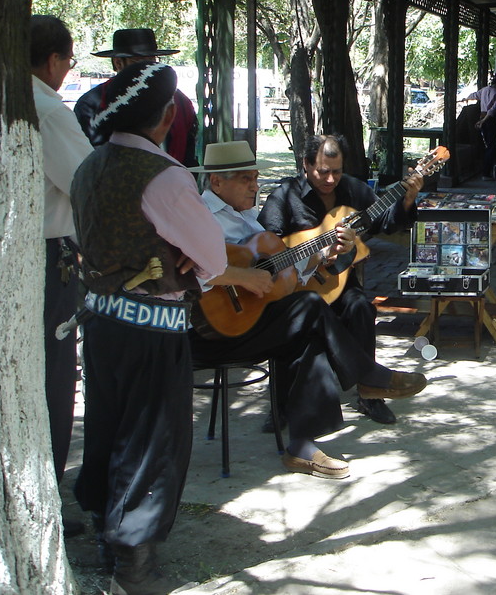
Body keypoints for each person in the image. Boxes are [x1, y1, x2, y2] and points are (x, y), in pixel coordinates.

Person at [71, 61, 229, 594]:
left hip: (101, 322)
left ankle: (102, 536)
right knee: (151, 440)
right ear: (166, 116)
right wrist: (191, 257)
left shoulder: (90, 165)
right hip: (152, 326)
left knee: (107, 429)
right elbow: (212, 255)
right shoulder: (163, 175)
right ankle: (134, 565)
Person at [190, 141, 427, 478]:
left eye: (255, 178)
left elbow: (280, 267)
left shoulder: (244, 218)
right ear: (216, 183)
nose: (256, 186)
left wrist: (321, 258)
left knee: (311, 330)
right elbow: (187, 273)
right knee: (309, 307)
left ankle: (301, 446)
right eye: (246, 179)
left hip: (252, 319)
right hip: (213, 330)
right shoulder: (201, 219)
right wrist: (244, 276)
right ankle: (368, 377)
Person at [258, 134, 424, 425]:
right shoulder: (285, 196)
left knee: (361, 307)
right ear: (306, 164)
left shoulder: (353, 190)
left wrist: (408, 198)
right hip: (295, 289)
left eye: (337, 171)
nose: (331, 179)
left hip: (338, 285)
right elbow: (264, 246)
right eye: (323, 171)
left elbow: (385, 221)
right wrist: (317, 254)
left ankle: (370, 394)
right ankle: (281, 403)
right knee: (289, 323)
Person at [30, 15, 93, 537]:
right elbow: (85, 184)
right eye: (69, 61)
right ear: (53, 60)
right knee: (54, 374)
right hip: (49, 256)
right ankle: (46, 491)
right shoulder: (49, 110)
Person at [74, 28, 198, 167]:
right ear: (118, 63)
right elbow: (89, 159)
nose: (146, 70)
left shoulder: (180, 102)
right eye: (138, 62)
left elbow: (189, 154)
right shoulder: (92, 104)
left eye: (151, 61)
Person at [470, 71, 496, 179]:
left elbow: (473, 95)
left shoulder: (484, 89)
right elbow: (492, 111)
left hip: (482, 118)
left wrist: (464, 99)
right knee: (491, 146)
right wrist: (483, 121)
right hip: (491, 120)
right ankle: (486, 172)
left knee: (490, 145)